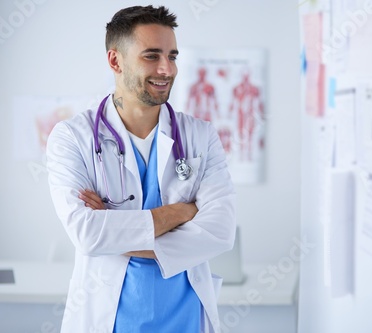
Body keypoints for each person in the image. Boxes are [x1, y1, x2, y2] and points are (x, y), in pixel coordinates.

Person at [46, 5, 236, 333]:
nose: (167, 69)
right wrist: (181, 212)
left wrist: (113, 228)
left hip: (186, 320)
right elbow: (87, 233)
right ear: (115, 61)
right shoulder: (71, 138)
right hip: (108, 321)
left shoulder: (199, 136)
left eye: (172, 56)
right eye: (152, 56)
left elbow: (220, 232)